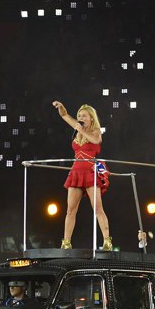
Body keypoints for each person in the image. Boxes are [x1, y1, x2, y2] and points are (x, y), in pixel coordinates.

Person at [52, 101, 111, 251]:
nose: (80, 118)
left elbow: (96, 140)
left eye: (84, 115)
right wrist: (61, 107)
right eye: (79, 115)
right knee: (70, 210)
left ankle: (107, 240)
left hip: (90, 171)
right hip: (76, 171)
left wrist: (81, 130)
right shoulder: (77, 127)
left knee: (98, 209)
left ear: (91, 118)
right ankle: (66, 242)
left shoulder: (96, 131)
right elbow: (64, 115)